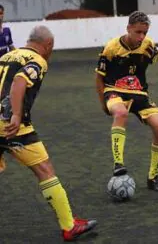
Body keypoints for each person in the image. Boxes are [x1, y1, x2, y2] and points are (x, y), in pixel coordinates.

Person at [0, 25, 97, 241]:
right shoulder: (38, 60)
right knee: (45, 170)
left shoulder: (7, 56)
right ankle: (69, 226)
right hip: (12, 126)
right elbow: (19, 81)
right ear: (48, 45)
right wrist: (16, 115)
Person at [95, 11, 158, 191]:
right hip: (114, 91)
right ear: (128, 29)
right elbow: (99, 78)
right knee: (120, 112)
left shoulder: (147, 45)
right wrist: (103, 103)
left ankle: (154, 177)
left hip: (139, 94)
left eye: (145, 32)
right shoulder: (111, 48)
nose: (142, 37)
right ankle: (118, 164)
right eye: (138, 32)